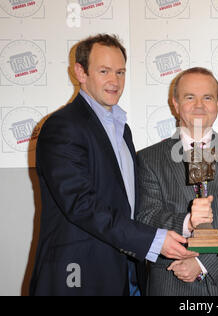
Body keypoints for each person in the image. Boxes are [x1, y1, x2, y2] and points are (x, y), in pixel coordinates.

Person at [29, 34, 197, 296]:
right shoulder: (63, 126)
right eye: (104, 71)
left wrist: (182, 224)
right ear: (80, 72)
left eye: (120, 72)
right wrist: (153, 240)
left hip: (126, 271)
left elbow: (128, 203)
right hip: (78, 275)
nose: (114, 81)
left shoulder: (122, 129)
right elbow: (81, 204)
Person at [136, 67, 218, 296]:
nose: (199, 105)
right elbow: (147, 216)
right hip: (171, 283)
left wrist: (204, 263)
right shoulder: (148, 159)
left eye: (207, 97)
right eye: (189, 97)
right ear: (175, 104)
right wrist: (188, 222)